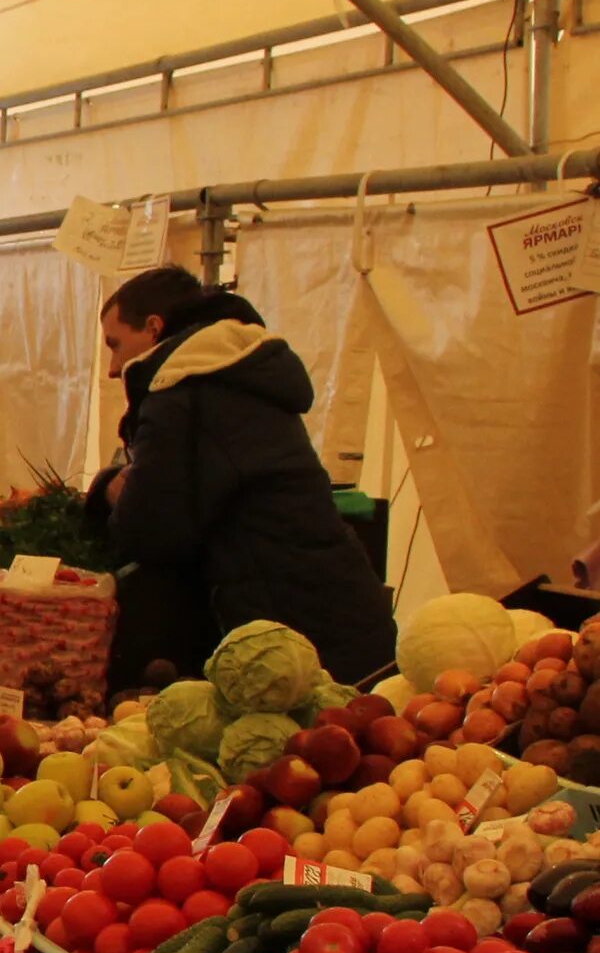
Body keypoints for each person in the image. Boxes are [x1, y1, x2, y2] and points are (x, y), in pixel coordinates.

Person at [92, 267, 395, 684]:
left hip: (297, 636)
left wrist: (107, 490)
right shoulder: (237, 374)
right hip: (336, 613)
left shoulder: (185, 392)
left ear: (153, 327)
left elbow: (149, 530)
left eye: (115, 345)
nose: (112, 367)